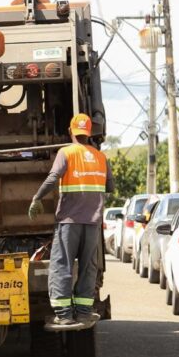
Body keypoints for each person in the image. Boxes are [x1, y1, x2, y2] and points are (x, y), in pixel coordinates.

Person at [28, 113, 114, 331]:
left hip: (69, 221)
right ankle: (84, 314)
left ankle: (64, 315)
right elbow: (111, 186)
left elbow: (52, 177)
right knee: (88, 267)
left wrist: (37, 198)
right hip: (92, 222)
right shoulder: (101, 157)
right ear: (89, 133)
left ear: (71, 131)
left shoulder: (66, 152)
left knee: (62, 265)